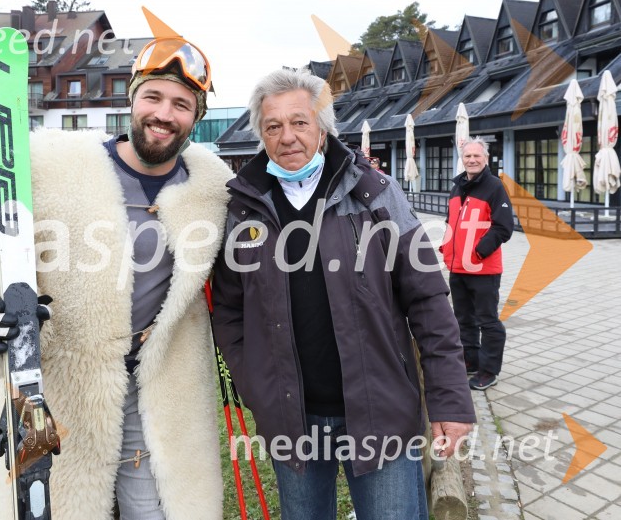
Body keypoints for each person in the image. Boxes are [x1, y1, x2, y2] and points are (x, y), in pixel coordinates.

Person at [0, 36, 232, 520]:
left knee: (156, 511)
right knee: (67, 505)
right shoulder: (55, 166)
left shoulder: (210, 187)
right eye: (153, 97)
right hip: (62, 390)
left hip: (160, 389)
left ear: (195, 117)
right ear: (132, 99)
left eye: (181, 105)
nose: (164, 114)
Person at [210, 68, 476, 520]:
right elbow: (230, 311)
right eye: (273, 126)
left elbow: (428, 300)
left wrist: (449, 399)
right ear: (261, 135)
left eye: (299, 122)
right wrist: (255, 384)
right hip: (292, 419)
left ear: (323, 128)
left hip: (381, 412)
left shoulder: (376, 194)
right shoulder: (243, 208)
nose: (287, 137)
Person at [441, 137, 514, 391]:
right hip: (457, 267)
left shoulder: (494, 187)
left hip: (483, 269)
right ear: (462, 159)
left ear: (485, 158)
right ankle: (470, 360)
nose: (472, 160)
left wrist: (478, 252)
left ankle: (489, 370)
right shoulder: (457, 187)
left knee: (488, 321)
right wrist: (446, 247)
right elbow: (450, 222)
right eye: (467, 156)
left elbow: (504, 227)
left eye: (476, 156)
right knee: (463, 319)